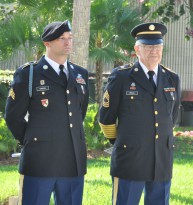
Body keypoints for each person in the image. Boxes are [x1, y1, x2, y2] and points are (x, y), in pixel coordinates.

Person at [5, 20, 89, 205]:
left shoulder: (80, 74)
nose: (67, 42)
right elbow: (13, 116)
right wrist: (31, 139)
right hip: (39, 161)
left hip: (72, 161)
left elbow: (79, 113)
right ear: (47, 43)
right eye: (61, 38)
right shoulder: (29, 74)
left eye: (70, 38)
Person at [99, 22, 181, 205]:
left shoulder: (172, 78)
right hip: (130, 159)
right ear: (137, 49)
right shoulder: (122, 77)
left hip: (161, 159)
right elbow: (106, 118)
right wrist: (120, 142)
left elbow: (171, 117)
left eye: (158, 46)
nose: (154, 51)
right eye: (148, 46)